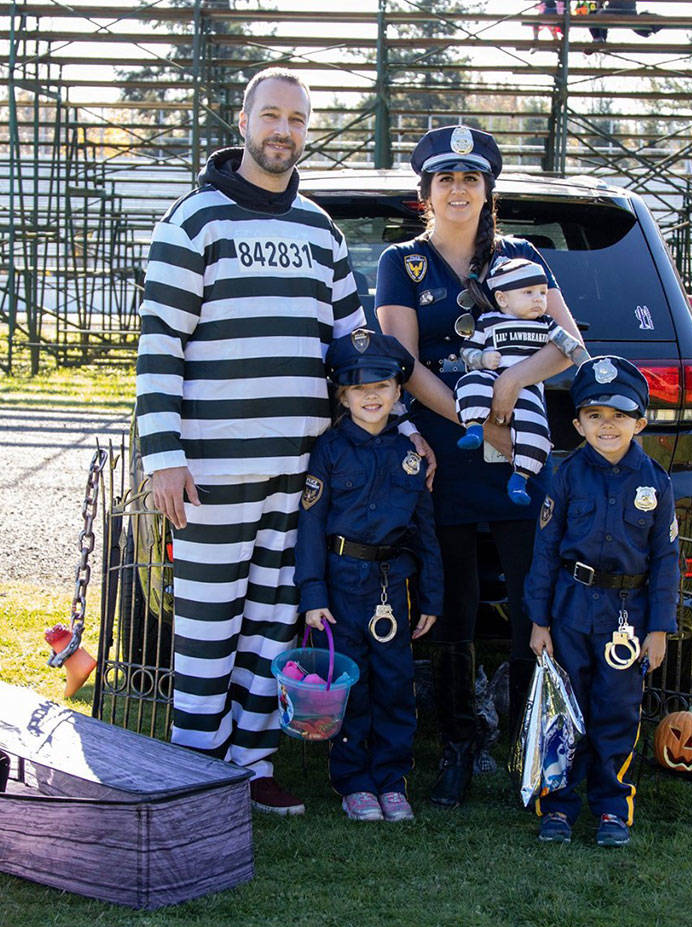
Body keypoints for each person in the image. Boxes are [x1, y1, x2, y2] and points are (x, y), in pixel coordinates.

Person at [136, 67, 429, 816]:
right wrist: (162, 455)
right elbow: (160, 344)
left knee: (273, 624)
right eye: (271, 116)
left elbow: (351, 346)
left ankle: (253, 760)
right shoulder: (194, 221)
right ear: (241, 122)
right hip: (211, 472)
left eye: (297, 121)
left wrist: (399, 427)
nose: (283, 132)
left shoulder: (320, 229)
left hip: (301, 476)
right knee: (208, 623)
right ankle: (196, 768)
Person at [375, 124, 583, 808]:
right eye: (445, 180)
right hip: (447, 456)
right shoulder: (401, 263)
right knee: (454, 605)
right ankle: (460, 745)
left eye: (471, 179)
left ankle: (533, 742)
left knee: (532, 601)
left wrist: (508, 387)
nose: (458, 190)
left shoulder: (519, 255)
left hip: (519, 450)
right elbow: (401, 364)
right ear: (425, 194)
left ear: (487, 191)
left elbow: (569, 346)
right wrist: (470, 415)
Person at [524, 356, 678, 847]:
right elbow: (545, 551)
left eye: (618, 416)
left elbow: (665, 560)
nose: (606, 426)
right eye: (594, 416)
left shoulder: (656, 482)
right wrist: (539, 621)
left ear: (640, 421)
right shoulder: (565, 476)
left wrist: (659, 628)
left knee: (616, 710)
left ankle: (613, 807)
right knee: (565, 711)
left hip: (626, 621)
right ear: (577, 423)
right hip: (570, 611)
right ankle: (559, 807)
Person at [294, 328, 443, 822]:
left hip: (393, 588)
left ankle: (392, 779)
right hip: (341, 586)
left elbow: (425, 532)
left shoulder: (409, 454)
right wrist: (312, 594)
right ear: (342, 395)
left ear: (399, 391)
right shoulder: (329, 451)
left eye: (381, 385)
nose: (372, 395)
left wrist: (431, 598)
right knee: (350, 685)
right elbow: (311, 526)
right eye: (359, 388)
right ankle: (355, 781)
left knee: (395, 684)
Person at [454, 256, 587, 506]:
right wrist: (482, 359)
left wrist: (589, 367)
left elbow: (572, 347)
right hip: (490, 375)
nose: (539, 299)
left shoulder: (547, 324)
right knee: (470, 383)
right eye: (528, 292)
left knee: (535, 430)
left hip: (528, 389)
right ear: (503, 298)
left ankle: (520, 479)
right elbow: (467, 352)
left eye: (542, 292)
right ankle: (474, 427)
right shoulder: (488, 321)